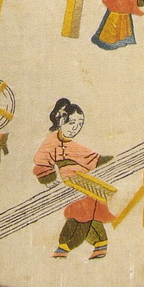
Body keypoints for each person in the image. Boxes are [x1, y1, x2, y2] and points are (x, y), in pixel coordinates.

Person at [33, 98, 114, 259]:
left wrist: (111, 161)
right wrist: (48, 179)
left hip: (84, 184)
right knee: (81, 214)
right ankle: (67, 246)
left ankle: (96, 244)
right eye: (72, 123)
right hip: (72, 186)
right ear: (61, 120)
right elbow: (41, 160)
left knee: (88, 213)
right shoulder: (52, 141)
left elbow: (91, 158)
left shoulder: (71, 144)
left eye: (79, 124)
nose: (75, 128)